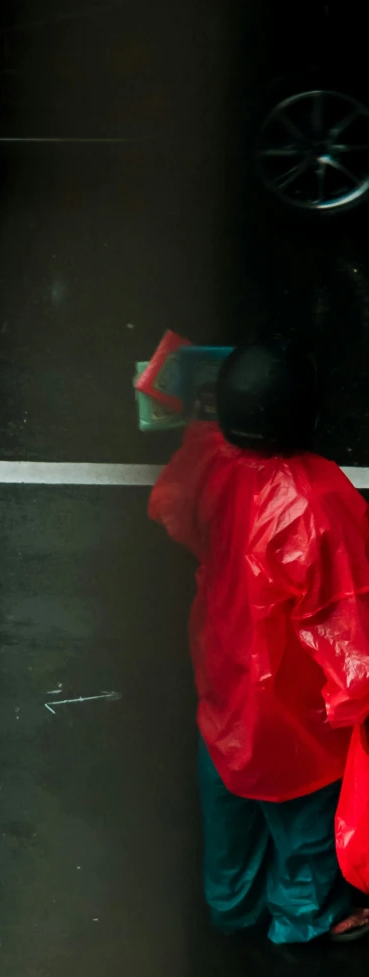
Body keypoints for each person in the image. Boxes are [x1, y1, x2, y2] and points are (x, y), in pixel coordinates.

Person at [148, 337, 369, 946]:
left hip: (224, 674)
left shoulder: (205, 459)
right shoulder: (320, 501)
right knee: (304, 823)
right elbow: (350, 628)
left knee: (227, 803)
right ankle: (306, 917)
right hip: (294, 711)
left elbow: (174, 512)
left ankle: (233, 906)